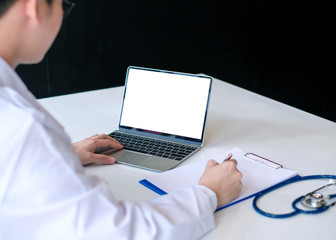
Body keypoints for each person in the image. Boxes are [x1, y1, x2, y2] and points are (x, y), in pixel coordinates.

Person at [0, 0, 243, 239]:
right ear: (35, 7)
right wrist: (209, 193)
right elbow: (114, 232)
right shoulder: (24, 127)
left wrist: (59, 157)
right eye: (63, 5)